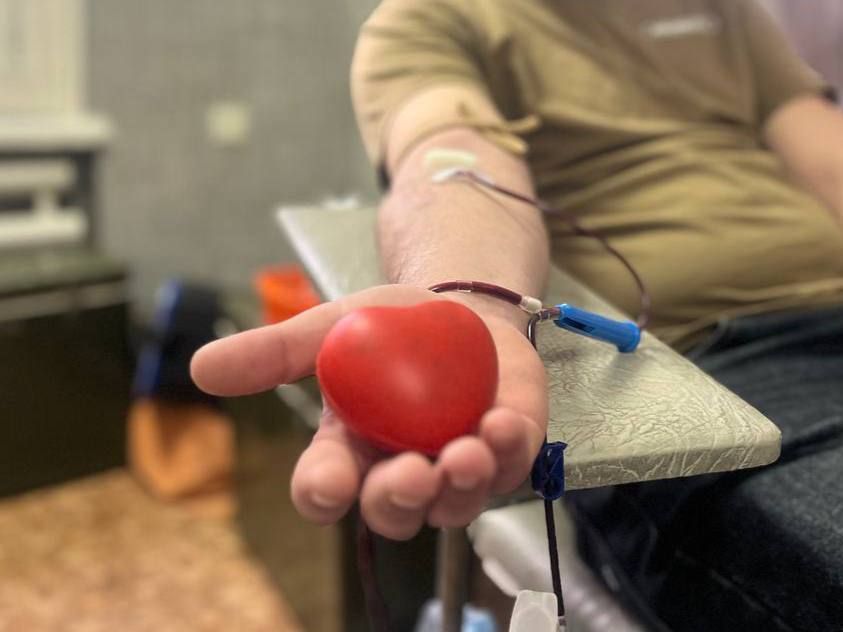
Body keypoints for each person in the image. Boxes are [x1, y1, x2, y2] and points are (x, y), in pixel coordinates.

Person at [191, 1, 843, 629]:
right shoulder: (434, 18)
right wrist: (470, 299)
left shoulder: (726, 11)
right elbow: (453, 162)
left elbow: (825, 154)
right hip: (707, 370)